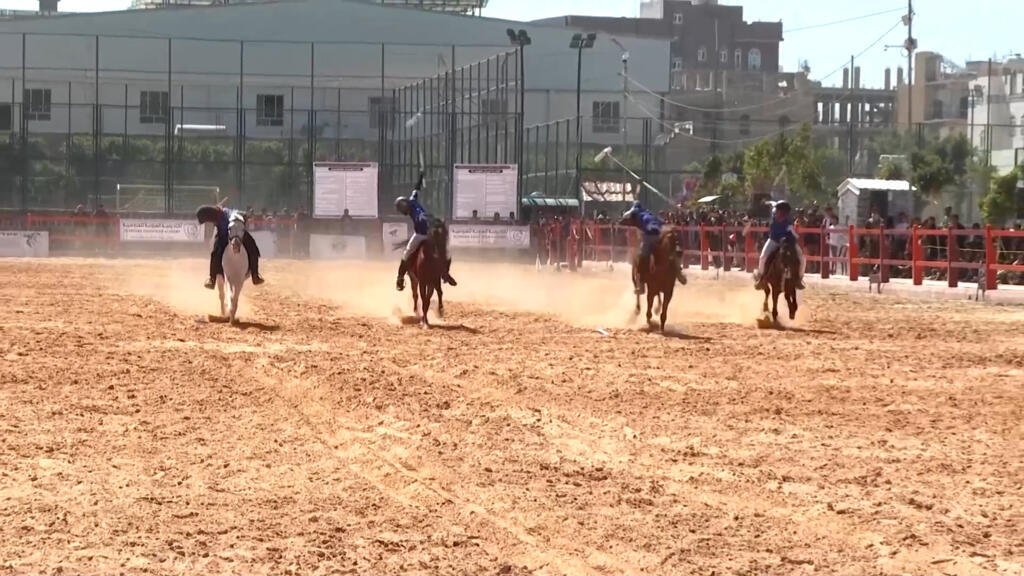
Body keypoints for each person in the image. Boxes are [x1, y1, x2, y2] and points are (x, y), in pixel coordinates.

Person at [394, 174, 457, 291]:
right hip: (428, 234)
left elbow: (422, 217)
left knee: (407, 253)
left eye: (401, 210)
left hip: (422, 235)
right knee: (447, 253)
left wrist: (431, 220)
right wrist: (420, 176)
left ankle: (400, 278)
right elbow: (416, 189)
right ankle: (402, 277)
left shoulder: (416, 213)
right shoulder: (412, 200)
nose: (402, 212)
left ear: (404, 207)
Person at [619, 201, 687, 293]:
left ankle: (642, 285)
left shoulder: (636, 213)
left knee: (643, 256)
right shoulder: (648, 213)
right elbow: (661, 222)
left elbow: (626, 217)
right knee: (670, 251)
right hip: (660, 233)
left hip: (649, 234)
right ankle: (679, 273)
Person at [196, 205, 264, 289]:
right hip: (222, 236)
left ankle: (255, 275)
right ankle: (212, 279)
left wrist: (245, 215)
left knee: (253, 248)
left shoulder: (228, 213)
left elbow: (237, 213)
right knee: (215, 253)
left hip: (237, 234)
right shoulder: (216, 218)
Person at [754, 201, 805, 290]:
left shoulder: (789, 219)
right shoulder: (774, 215)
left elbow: (794, 235)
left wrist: (792, 232)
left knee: (802, 258)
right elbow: (773, 204)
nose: (779, 213)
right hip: (774, 240)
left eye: (782, 212)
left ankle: (799, 279)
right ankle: (761, 278)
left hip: (788, 242)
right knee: (763, 257)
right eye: (779, 211)